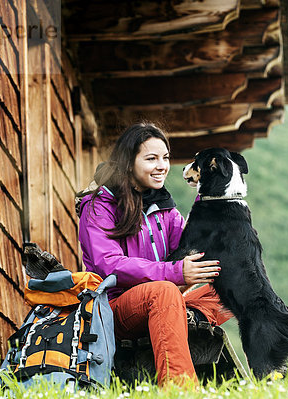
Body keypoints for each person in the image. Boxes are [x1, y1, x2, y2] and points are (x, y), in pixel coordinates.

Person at [77, 122, 231, 386]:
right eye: (151, 159)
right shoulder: (98, 206)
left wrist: (209, 201)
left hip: (165, 296)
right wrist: (175, 272)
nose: (162, 166)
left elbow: (191, 248)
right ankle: (180, 389)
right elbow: (109, 266)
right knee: (164, 292)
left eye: (165, 158)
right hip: (114, 309)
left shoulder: (164, 208)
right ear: (128, 162)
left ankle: (179, 315)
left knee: (233, 284)